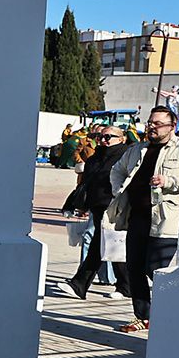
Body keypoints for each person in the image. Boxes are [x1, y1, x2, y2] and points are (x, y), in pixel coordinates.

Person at [107, 106, 179, 333]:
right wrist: (119, 192)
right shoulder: (137, 149)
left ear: (172, 126)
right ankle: (143, 316)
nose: (152, 127)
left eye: (157, 124)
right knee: (134, 267)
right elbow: (117, 170)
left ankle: (167, 315)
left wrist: (167, 181)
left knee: (156, 269)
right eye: (150, 122)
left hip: (165, 220)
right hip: (137, 217)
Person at [63, 126, 130, 298]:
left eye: (109, 137)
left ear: (121, 139)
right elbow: (85, 183)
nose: (104, 140)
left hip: (115, 207)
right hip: (97, 206)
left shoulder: (125, 156)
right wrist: (75, 204)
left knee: (100, 244)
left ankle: (79, 284)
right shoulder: (95, 157)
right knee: (110, 243)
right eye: (101, 136)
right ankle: (126, 285)